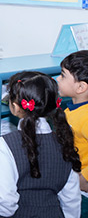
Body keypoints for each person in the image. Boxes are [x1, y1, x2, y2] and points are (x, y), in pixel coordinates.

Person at [0, 71, 81, 217]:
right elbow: (71, 199)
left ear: (15, 107)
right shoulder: (64, 141)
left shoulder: (4, 144)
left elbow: (6, 202)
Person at [59, 51, 88, 216]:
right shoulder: (72, 109)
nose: (58, 79)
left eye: (63, 76)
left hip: (82, 189)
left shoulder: (86, 116)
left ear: (81, 87)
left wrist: (85, 178)